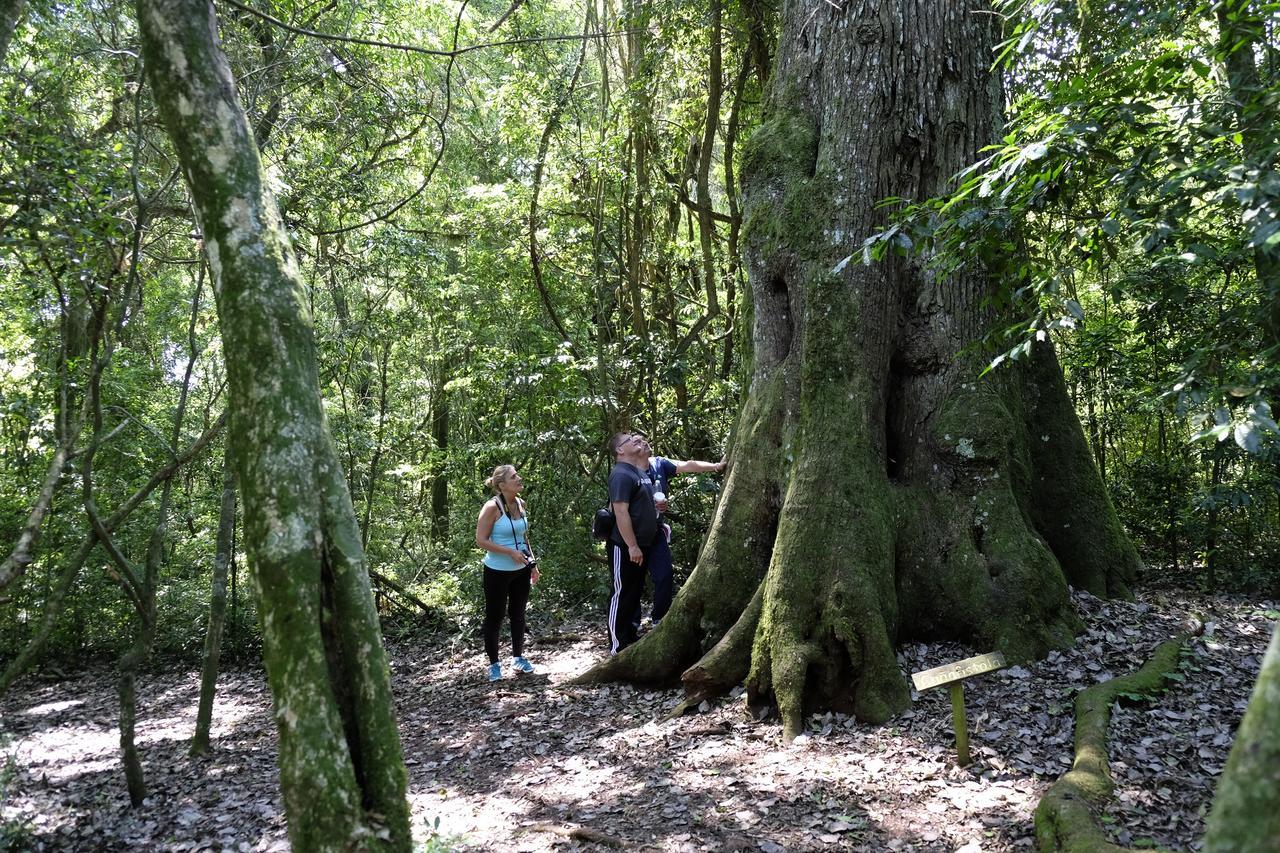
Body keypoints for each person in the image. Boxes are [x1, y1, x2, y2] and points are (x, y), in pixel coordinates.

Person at [637, 450, 726, 631]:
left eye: (644, 441)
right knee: (632, 582)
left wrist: (716, 467)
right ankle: (629, 626)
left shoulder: (658, 464)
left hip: (656, 532)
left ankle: (659, 619)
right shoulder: (627, 471)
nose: (644, 443)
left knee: (664, 575)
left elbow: (688, 465)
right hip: (634, 534)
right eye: (637, 441)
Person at [475, 464, 540, 682]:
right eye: (514, 477)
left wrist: (533, 565)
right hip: (497, 571)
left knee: (518, 614)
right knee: (495, 617)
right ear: (502, 485)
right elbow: (480, 540)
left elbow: (524, 537)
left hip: (521, 569)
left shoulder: (520, 503)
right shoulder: (491, 507)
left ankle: (518, 658)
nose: (519, 478)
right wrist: (509, 552)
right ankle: (494, 664)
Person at [605, 432, 658, 654]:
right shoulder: (620, 474)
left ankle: (629, 637)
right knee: (622, 592)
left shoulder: (637, 471)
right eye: (630, 440)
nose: (636, 440)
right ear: (620, 450)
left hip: (643, 545)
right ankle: (617, 645)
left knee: (634, 592)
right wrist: (632, 546)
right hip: (625, 547)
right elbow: (620, 511)